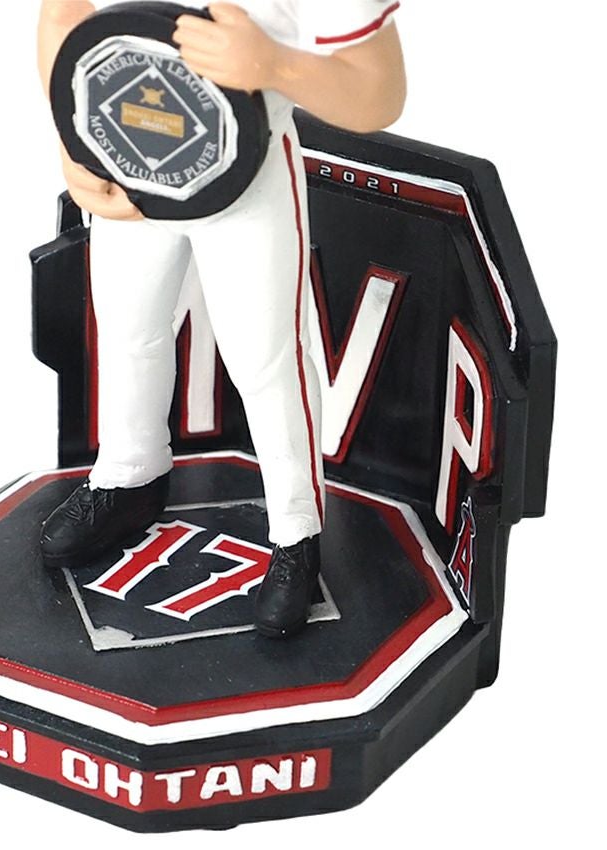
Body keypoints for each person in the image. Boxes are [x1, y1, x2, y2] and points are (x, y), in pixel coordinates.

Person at [36, 0, 407, 637]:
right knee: (126, 328)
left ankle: (295, 530)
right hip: (129, 160)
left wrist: (276, 64)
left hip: (245, 175)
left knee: (264, 358)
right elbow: (62, 16)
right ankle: (128, 475)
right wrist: (75, 140)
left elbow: (380, 94)